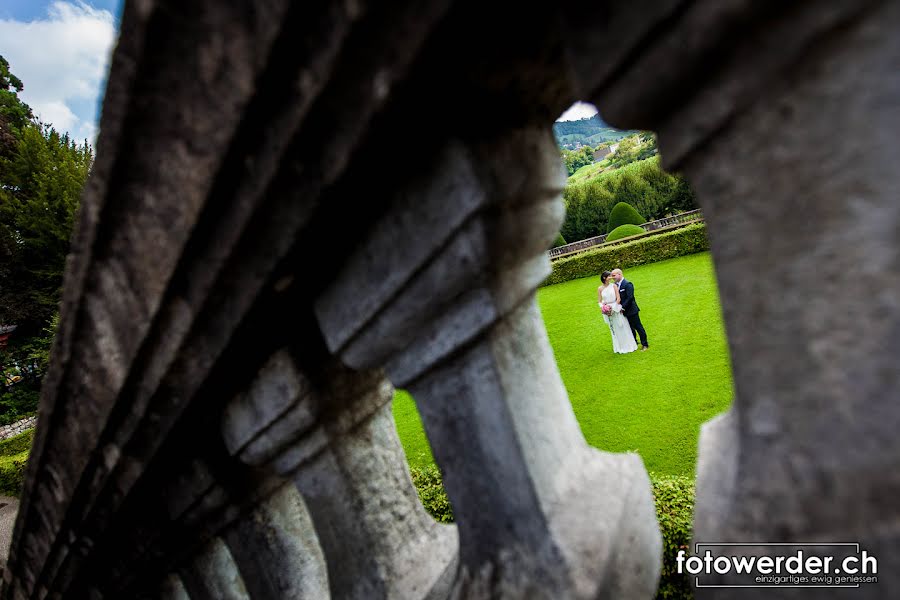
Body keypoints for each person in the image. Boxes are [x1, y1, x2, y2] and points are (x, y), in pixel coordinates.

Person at [598, 271, 638, 354]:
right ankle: (618, 347)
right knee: (614, 329)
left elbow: (618, 299)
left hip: (616, 308)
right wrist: (604, 308)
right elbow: (599, 301)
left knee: (622, 326)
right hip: (608, 311)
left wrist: (613, 308)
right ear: (604, 278)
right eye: (609, 276)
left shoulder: (614, 286)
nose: (611, 277)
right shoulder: (600, 288)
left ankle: (629, 345)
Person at [612, 268, 648, 351]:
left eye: (614, 275)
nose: (612, 277)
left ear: (619, 274)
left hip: (631, 310)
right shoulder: (615, 285)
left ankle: (645, 344)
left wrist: (622, 307)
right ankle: (634, 342)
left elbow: (630, 297)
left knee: (638, 327)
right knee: (629, 328)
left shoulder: (628, 284)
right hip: (622, 312)